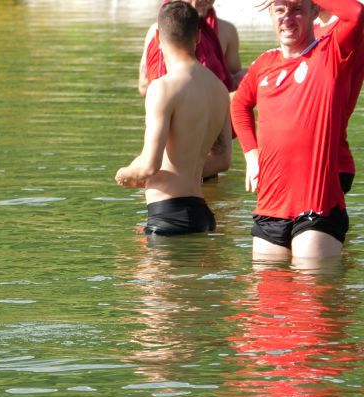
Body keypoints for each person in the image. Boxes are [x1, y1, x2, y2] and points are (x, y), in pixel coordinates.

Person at [230, 0, 363, 260]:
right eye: (280, 10)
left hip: (318, 204)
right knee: (267, 283)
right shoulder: (264, 63)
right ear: (271, 14)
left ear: (314, 11)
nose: (287, 18)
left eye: (297, 10)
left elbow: (356, 13)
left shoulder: (330, 52)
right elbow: (239, 105)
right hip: (271, 205)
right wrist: (251, 154)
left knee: (310, 282)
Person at [116, 2, 230, 236]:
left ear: (157, 37)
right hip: (202, 214)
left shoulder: (162, 88)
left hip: (169, 215)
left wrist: (125, 174)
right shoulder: (219, 89)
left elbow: (149, 166)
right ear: (198, 36)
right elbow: (222, 160)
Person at [138, 0, 243, 95]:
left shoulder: (226, 30)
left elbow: (232, 79)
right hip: (169, 104)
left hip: (213, 106)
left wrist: (249, 76)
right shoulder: (160, 31)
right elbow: (144, 86)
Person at [314, 3, 364, 193]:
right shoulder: (311, 30)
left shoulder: (347, 31)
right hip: (304, 158)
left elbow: (355, 11)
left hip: (331, 162)